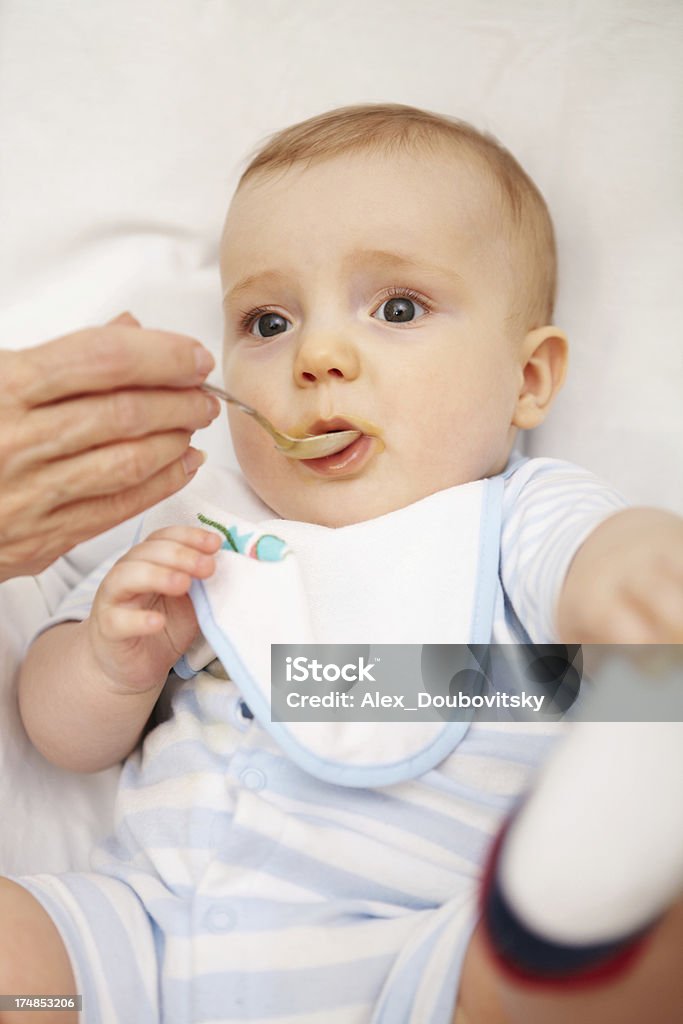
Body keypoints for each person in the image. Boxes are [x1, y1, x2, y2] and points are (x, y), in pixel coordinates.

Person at [1, 104, 682, 1024]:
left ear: (526, 380)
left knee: (577, 974)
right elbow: (59, 735)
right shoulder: (195, 525)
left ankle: (578, 892)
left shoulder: (513, 513)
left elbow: (596, 563)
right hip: (137, 954)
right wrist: (106, 661)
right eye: (268, 320)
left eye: (397, 308)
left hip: (418, 965)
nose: (317, 355)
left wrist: (645, 570)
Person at [0, 313, 220, 583]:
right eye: (268, 326)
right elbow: (71, 621)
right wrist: (97, 627)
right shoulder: (174, 535)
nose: (291, 370)